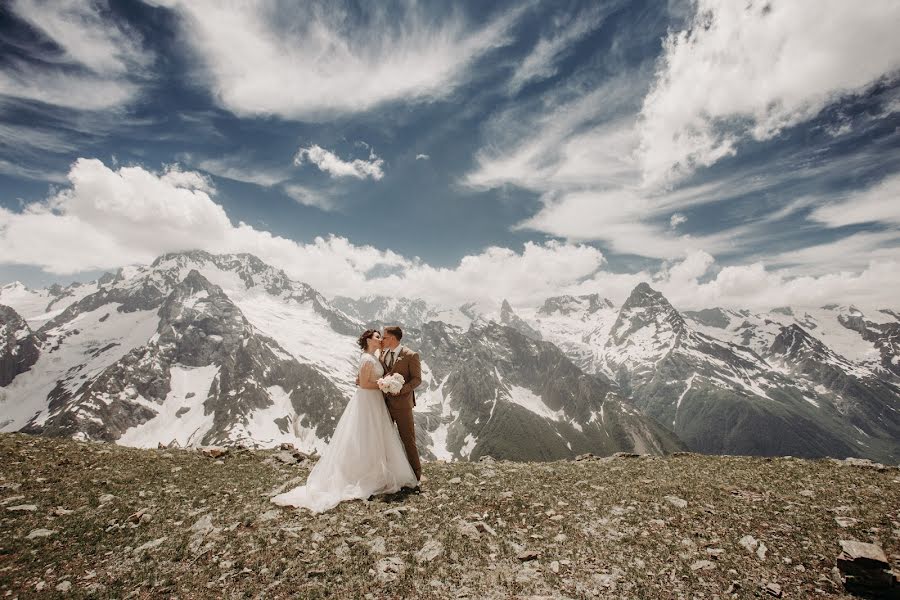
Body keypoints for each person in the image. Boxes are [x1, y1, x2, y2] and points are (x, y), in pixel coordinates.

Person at [270, 329, 417, 513]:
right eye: (377, 337)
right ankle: (361, 474)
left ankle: (377, 471)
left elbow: (364, 379)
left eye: (382, 336)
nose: (380, 339)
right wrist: (383, 385)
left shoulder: (375, 356)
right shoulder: (366, 358)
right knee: (364, 435)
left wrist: (383, 383)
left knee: (375, 436)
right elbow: (364, 384)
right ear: (368, 340)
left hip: (375, 401)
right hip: (368, 400)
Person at [379, 325, 423, 483]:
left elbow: (417, 379)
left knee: (408, 439)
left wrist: (401, 389)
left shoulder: (411, 355)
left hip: (403, 405)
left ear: (392, 338)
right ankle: (389, 474)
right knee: (385, 439)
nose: (382, 340)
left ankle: (416, 475)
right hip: (384, 405)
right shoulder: (383, 354)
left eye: (384, 337)